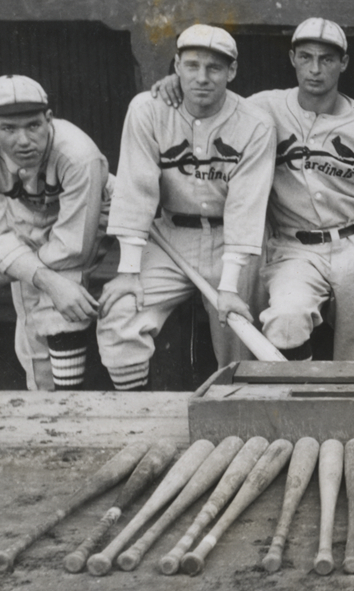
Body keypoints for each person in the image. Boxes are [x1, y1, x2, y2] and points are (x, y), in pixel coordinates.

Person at [151, 19, 354, 362]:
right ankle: (301, 407)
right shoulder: (262, 108)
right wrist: (173, 82)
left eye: (326, 59)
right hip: (295, 244)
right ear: (292, 58)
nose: (315, 69)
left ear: (344, 63)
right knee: (285, 320)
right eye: (306, 57)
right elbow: (214, 99)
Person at [97, 26, 274, 391]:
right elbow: (135, 189)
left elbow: (246, 208)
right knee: (121, 313)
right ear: (176, 65)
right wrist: (128, 270)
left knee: (238, 345)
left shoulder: (255, 123)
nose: (202, 77)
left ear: (232, 71)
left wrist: (228, 287)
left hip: (232, 242)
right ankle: (139, 418)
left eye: (214, 68)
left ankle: (237, 432)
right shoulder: (148, 109)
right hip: (169, 238)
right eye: (191, 66)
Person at [0, 76, 111, 390]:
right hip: (26, 215)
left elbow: (73, 247)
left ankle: (68, 407)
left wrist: (6, 273)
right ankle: (46, 408)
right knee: (32, 323)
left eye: (33, 126)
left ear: (49, 120)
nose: (23, 140)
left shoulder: (79, 153)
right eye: (8, 129)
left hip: (92, 212)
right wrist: (41, 277)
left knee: (62, 303)